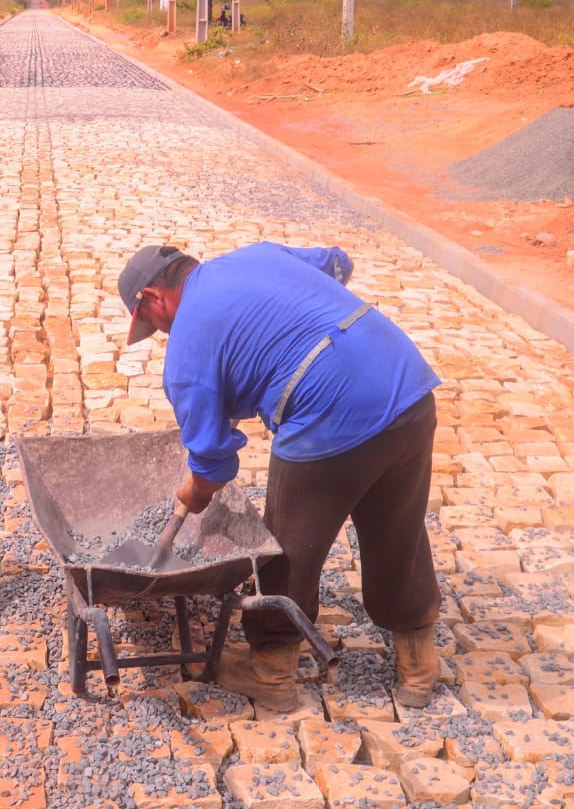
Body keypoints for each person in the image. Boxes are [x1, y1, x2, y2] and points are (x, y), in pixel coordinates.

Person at [117, 242, 442, 711]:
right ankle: (418, 667)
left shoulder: (188, 345)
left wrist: (194, 491)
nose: (163, 332)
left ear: (153, 297)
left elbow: (210, 463)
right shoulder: (257, 256)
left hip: (327, 410)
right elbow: (338, 263)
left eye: (154, 324)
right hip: (405, 384)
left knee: (287, 549)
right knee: (399, 528)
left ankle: (271, 672)